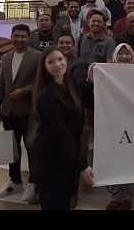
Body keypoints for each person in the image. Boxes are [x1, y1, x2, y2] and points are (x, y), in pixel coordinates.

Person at [31, 46, 94, 210]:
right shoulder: (47, 95)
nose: (57, 64)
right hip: (50, 162)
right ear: (44, 67)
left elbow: (85, 101)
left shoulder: (70, 85)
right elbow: (60, 134)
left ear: (66, 60)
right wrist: (82, 165)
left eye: (60, 59)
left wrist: (90, 80)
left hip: (66, 158)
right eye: (51, 62)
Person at [0, 24, 41, 202]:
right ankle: (14, 180)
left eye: (23, 36)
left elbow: (40, 81)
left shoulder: (38, 56)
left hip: (28, 110)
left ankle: (34, 182)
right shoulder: (6, 57)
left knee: (31, 146)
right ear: (11, 37)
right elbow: (1, 84)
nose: (19, 39)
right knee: (11, 148)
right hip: (9, 110)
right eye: (16, 36)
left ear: (28, 38)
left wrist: (25, 91)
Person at [88, 43, 134, 210]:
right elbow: (94, 88)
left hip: (132, 125)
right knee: (114, 160)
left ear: (132, 56)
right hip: (111, 124)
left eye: (127, 53)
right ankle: (116, 196)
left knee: (129, 162)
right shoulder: (107, 74)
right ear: (115, 56)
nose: (124, 57)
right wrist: (94, 73)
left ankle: (128, 197)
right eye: (120, 53)